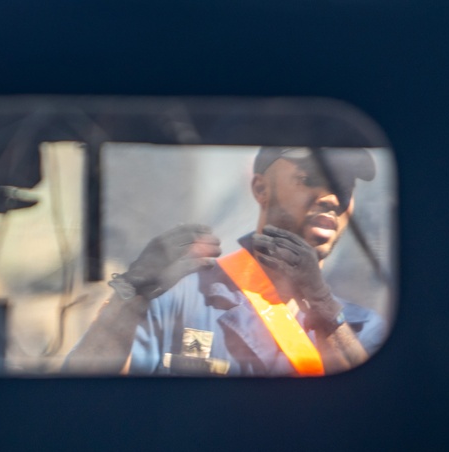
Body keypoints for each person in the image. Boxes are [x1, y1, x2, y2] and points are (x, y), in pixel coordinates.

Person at [63, 147, 387, 376]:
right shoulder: (178, 301)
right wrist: (130, 296)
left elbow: (376, 420)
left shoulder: (360, 329)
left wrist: (322, 305)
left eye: (344, 189)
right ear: (261, 188)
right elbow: (81, 394)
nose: (330, 198)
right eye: (309, 179)